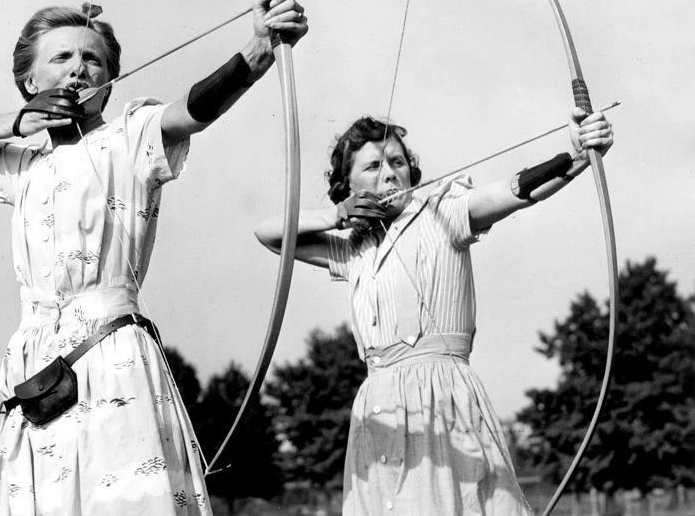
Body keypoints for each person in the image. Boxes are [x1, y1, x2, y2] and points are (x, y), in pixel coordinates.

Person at [0, 0, 307, 515]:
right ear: (30, 80)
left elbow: (193, 109)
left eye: (92, 59)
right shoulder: (21, 161)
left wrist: (258, 50)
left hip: (110, 355)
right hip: (36, 369)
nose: (79, 69)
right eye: (62, 57)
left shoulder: (130, 135)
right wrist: (19, 122)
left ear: (110, 79)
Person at [254, 108, 613, 514]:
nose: (389, 173)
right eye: (373, 166)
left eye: (397, 162)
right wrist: (336, 216)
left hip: (441, 403)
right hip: (378, 414)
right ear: (348, 185)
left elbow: (513, 192)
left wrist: (579, 155)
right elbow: (268, 233)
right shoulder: (351, 247)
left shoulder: (443, 212)